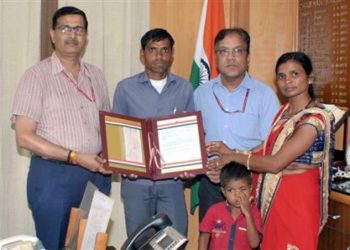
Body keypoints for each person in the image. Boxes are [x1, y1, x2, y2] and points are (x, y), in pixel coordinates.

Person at [207, 51, 334, 249]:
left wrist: (232, 156)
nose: (287, 81)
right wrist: (231, 151)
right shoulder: (284, 111)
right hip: (274, 198)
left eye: (295, 74)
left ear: (309, 78)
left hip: (297, 200)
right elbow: (266, 149)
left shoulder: (313, 120)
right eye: (281, 76)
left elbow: (275, 163)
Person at [11, 6, 111, 249]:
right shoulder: (36, 76)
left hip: (96, 177)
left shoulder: (96, 76)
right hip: (53, 178)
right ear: (52, 34)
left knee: (89, 245)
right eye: (65, 28)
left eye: (79, 29)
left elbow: (108, 128)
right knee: (54, 244)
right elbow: (24, 137)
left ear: (86, 35)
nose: (72, 34)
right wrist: (75, 157)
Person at [112, 28, 194, 236]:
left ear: (172, 54)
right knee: (139, 240)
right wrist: (124, 165)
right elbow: (117, 136)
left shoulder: (184, 88)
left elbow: (191, 133)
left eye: (165, 50)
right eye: (153, 50)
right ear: (142, 54)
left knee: (175, 238)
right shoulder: (125, 88)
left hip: (172, 182)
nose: (159, 56)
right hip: (136, 181)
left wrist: (189, 166)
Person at [194, 27, 280, 221]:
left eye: (237, 51)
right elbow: (193, 139)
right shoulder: (201, 94)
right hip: (213, 184)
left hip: (250, 183)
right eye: (224, 51)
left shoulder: (265, 95)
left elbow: (272, 144)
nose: (231, 58)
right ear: (216, 56)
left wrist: (233, 156)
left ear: (247, 57)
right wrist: (206, 167)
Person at [199, 162, 262, 250]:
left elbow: (254, 244)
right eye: (231, 190)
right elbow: (204, 237)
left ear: (250, 188)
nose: (237, 195)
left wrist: (248, 215)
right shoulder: (214, 210)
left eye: (242, 189)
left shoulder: (254, 213)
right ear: (223, 191)